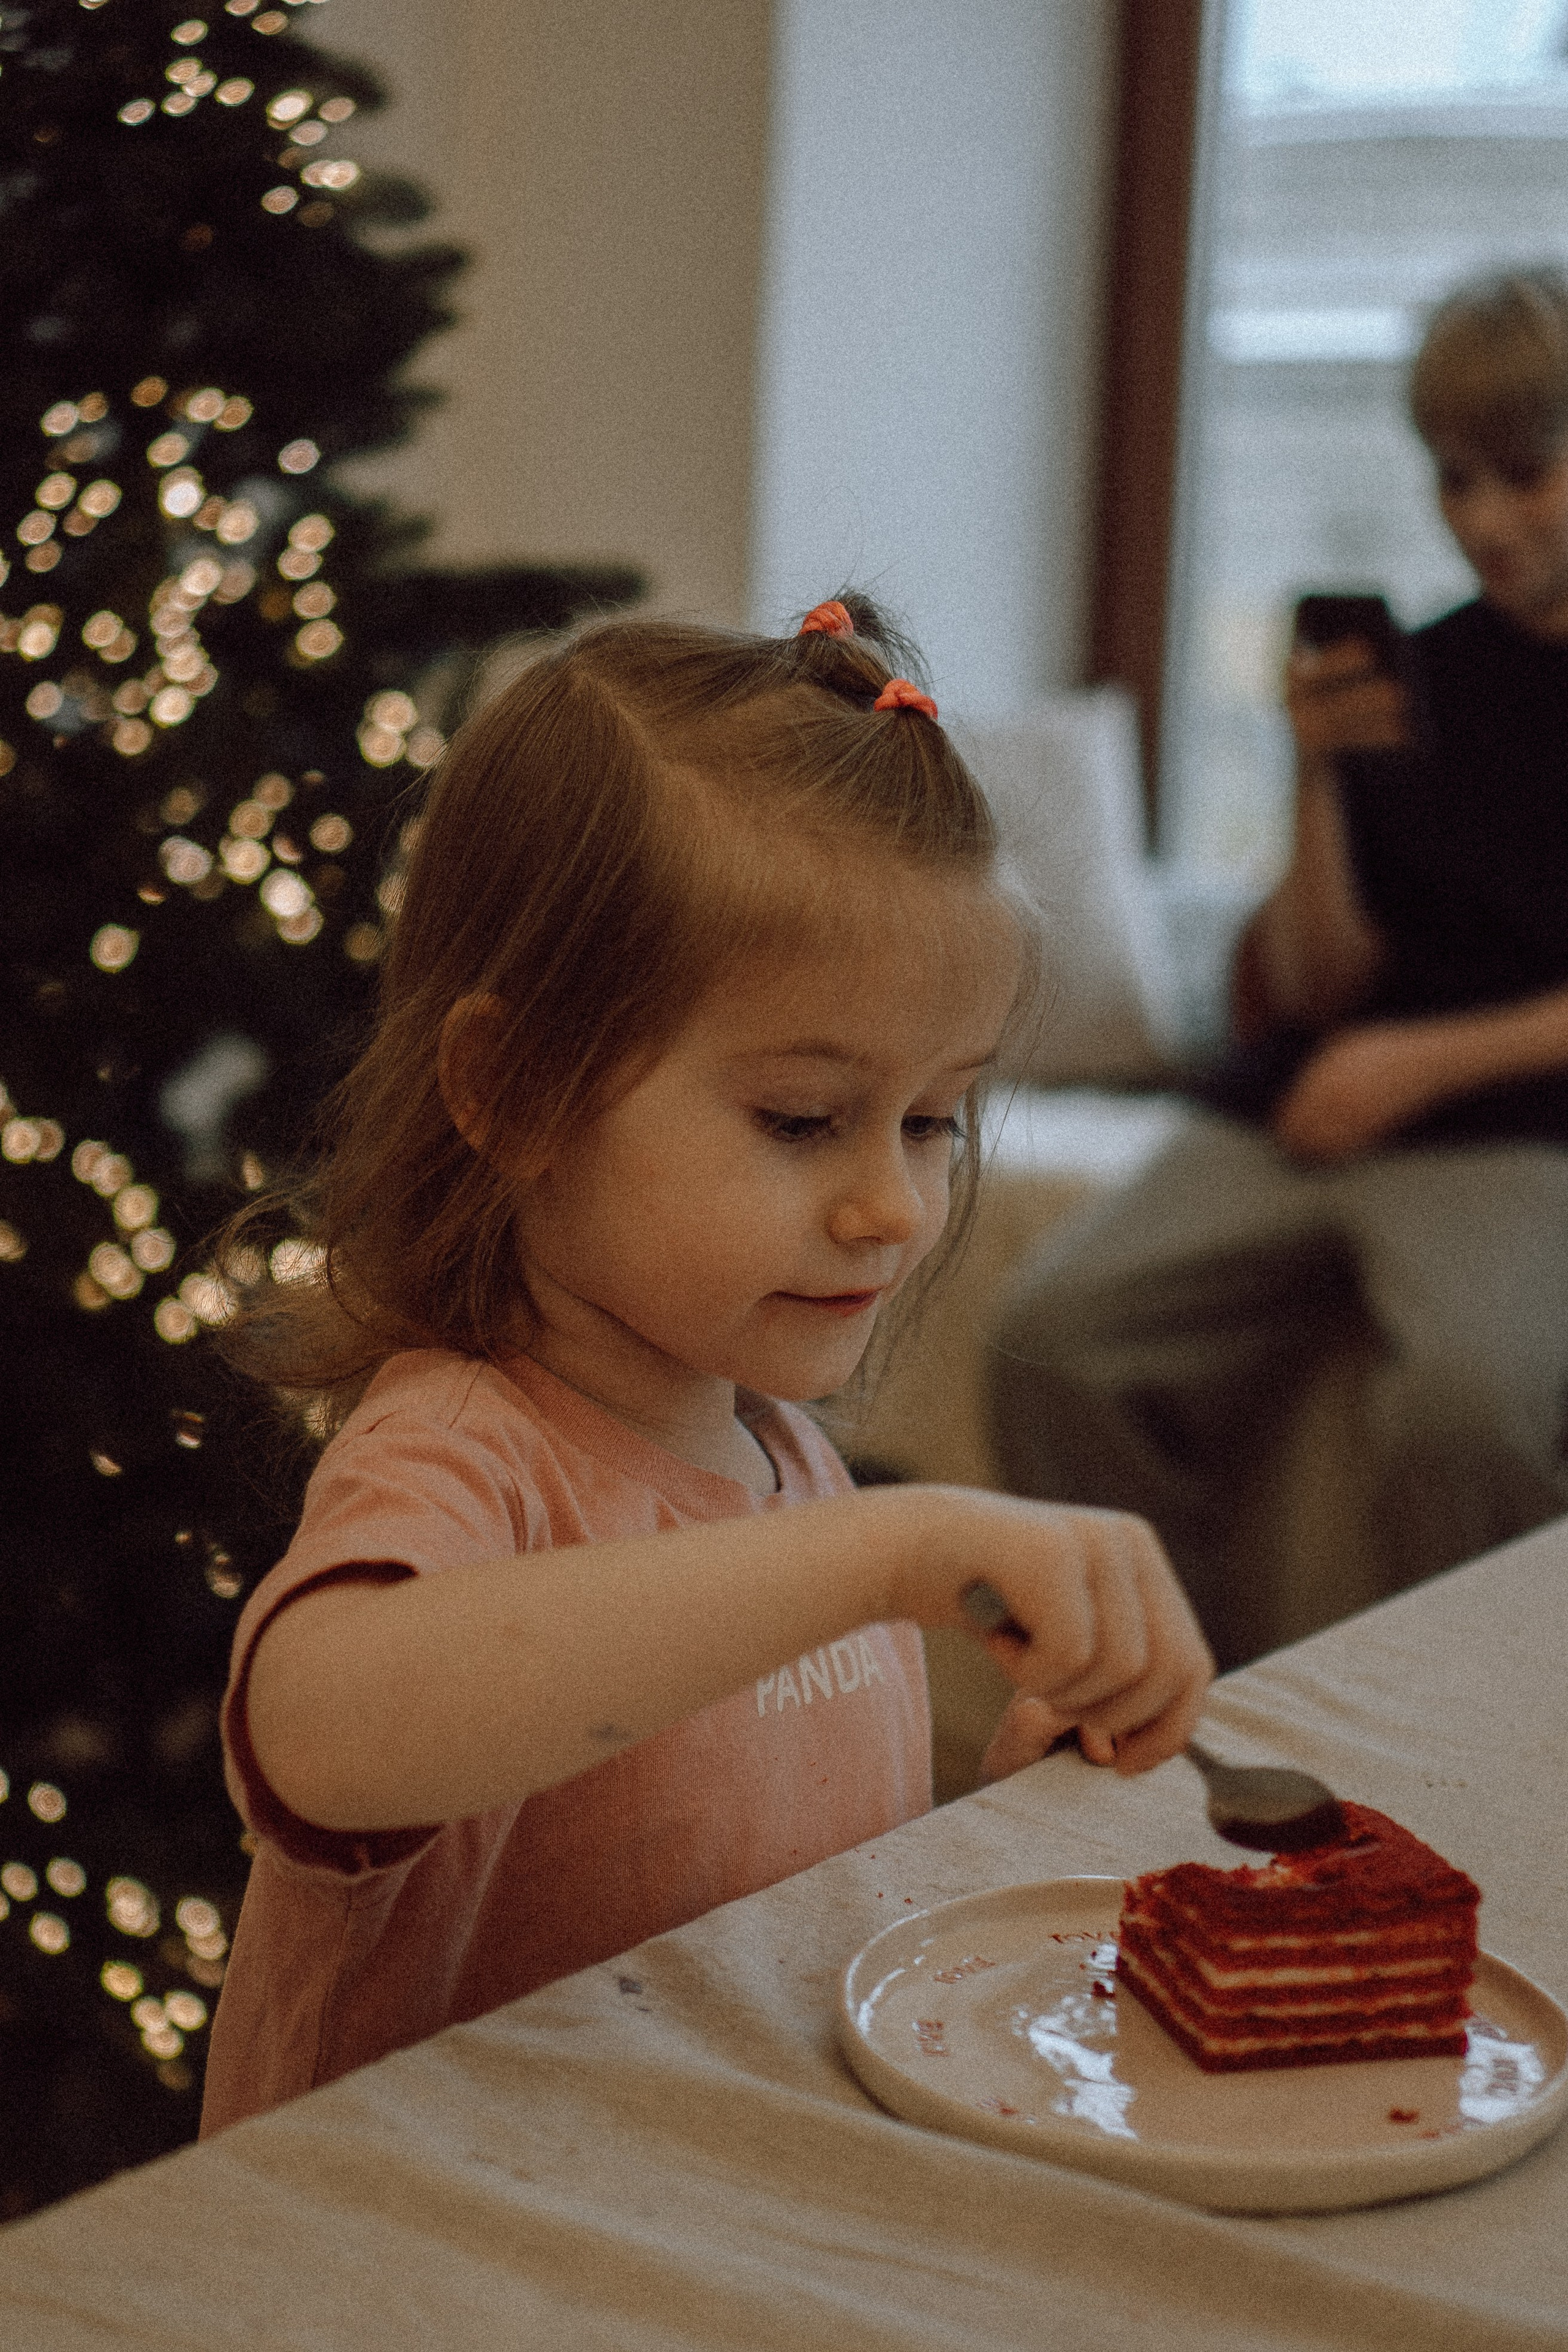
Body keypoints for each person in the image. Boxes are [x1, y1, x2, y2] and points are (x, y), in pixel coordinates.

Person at [198, 593, 1211, 2134]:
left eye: (931, 1120)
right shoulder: (464, 1449)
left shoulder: (782, 1462)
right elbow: (318, 1729)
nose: (892, 1207)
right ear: (511, 1086)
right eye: (803, 1120)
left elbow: (774, 1921)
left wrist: (1013, 1808)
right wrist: (886, 1549)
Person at [989, 268, 1568, 1668]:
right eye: (1450, 480)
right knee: (1047, 1338)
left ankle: (1464, 1756)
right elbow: (1315, 987)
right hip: (1307, 1099)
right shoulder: (1414, 674)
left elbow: (1381, 1038)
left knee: (1468, 1408)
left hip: (1516, 1122)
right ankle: (1182, 1712)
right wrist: (1309, 774)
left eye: (1522, 474)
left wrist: (1415, 1062)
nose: (1478, 520)